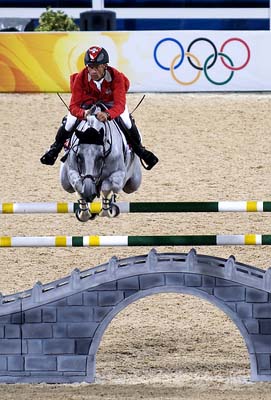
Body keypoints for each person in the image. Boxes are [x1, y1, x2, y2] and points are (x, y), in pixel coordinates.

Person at [40, 45, 158, 170]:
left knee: (127, 122)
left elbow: (119, 104)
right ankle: (55, 149)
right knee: (69, 122)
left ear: (105, 66)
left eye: (97, 67)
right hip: (88, 104)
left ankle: (140, 150)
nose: (93, 71)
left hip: (111, 103)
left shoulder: (116, 76)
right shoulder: (80, 77)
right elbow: (73, 106)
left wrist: (107, 114)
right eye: (90, 67)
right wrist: (83, 113)